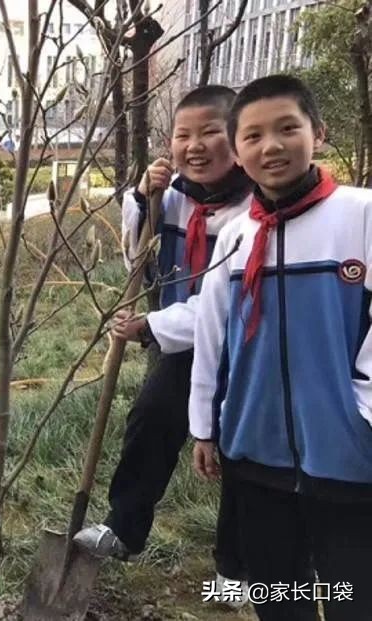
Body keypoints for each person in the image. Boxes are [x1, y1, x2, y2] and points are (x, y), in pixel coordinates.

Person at [190, 74, 372, 621]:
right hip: (255, 449)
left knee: (353, 595)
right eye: (253, 136)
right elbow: (211, 334)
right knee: (277, 595)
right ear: (238, 154)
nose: (271, 146)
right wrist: (205, 423)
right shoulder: (236, 236)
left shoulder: (360, 215)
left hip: (349, 453)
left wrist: (362, 413)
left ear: (317, 131)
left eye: (287, 128)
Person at [74, 85, 251, 603]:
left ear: (237, 140)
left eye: (210, 133)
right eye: (182, 135)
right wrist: (141, 202)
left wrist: (152, 325)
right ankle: (124, 528)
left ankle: (235, 564)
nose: (194, 146)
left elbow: (223, 304)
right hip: (177, 348)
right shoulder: (170, 195)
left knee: (238, 448)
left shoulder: (252, 209)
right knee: (150, 422)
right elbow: (138, 259)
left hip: (239, 345)